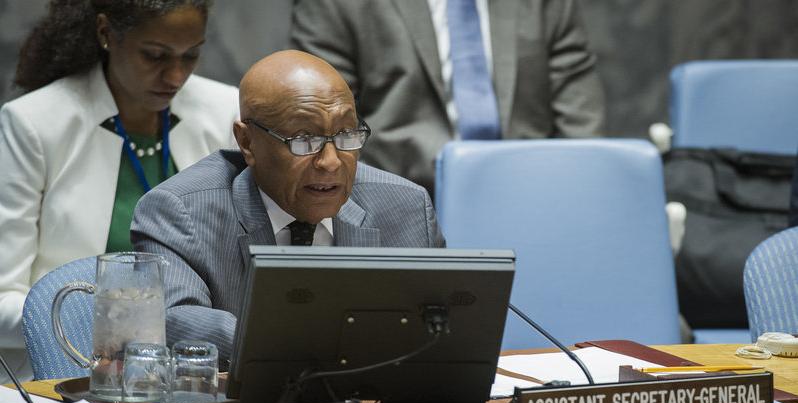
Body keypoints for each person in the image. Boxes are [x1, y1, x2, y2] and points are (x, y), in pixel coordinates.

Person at [131, 50, 445, 365]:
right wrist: (312, 344)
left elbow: (443, 325)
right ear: (247, 142)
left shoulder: (406, 206)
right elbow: (173, 319)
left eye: (346, 134)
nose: (331, 162)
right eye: (304, 139)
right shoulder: (179, 211)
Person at [0, 0, 238, 380]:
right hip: (68, 375)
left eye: (191, 55)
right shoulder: (34, 123)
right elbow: (3, 299)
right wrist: (127, 323)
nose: (176, 76)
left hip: (201, 374)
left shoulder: (227, 111)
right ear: (105, 33)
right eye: (155, 55)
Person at [291, 0, 606, 194]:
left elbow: (581, 127)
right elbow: (324, 125)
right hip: (392, 201)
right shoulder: (336, 5)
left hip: (532, 195)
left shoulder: (547, 5)